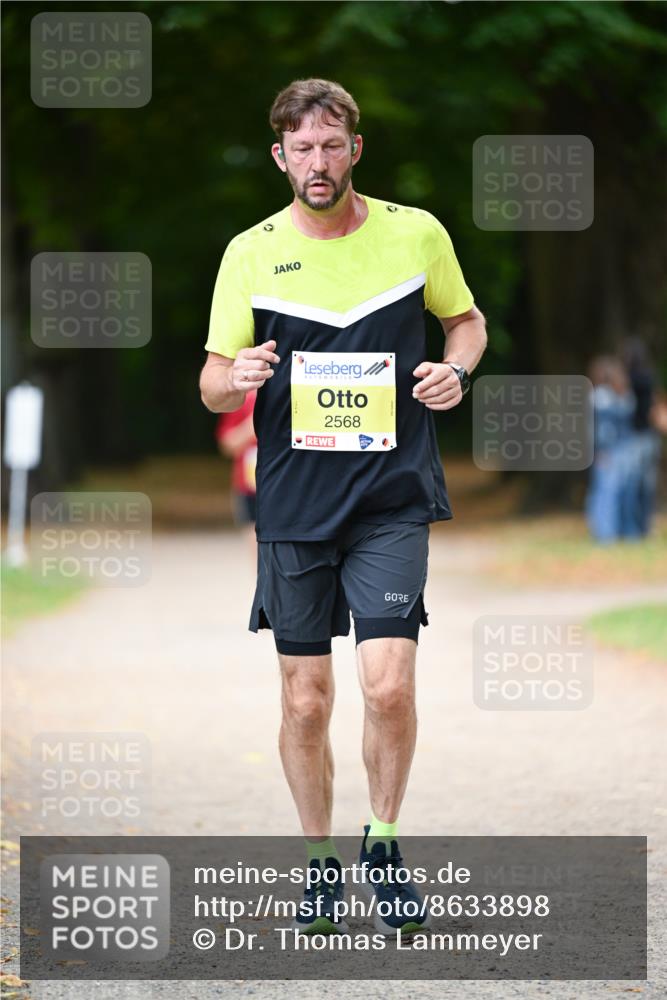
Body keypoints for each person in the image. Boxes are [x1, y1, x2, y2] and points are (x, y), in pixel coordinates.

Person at [200, 78, 487, 936]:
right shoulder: (249, 251)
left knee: (388, 685)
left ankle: (384, 845)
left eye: (331, 146)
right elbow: (212, 384)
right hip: (293, 500)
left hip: (392, 495)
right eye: (301, 148)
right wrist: (238, 377)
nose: (316, 162)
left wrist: (455, 371)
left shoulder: (415, 233)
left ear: (353, 150)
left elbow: (465, 323)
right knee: (306, 701)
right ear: (279, 156)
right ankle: (319, 865)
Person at [585, 355, 636, 542]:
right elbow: (599, 429)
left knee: (612, 492)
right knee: (605, 492)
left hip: (617, 450)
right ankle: (604, 534)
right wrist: (599, 450)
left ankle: (611, 532)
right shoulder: (600, 397)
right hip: (606, 452)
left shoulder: (614, 396)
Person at [621, 337, 662, 537]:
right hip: (648, 436)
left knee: (634, 484)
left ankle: (634, 528)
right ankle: (643, 527)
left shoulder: (628, 379)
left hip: (634, 437)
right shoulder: (648, 377)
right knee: (646, 485)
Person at [215, 388, 258, 555]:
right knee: (254, 540)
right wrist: (250, 429)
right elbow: (227, 444)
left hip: (285, 484)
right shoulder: (242, 399)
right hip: (248, 485)